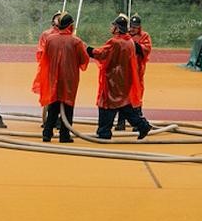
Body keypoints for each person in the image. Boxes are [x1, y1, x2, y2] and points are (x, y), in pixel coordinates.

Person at [86, 13, 152, 140]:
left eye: (113, 26)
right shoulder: (129, 41)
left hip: (113, 79)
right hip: (125, 77)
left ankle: (104, 131)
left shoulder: (115, 42)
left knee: (107, 104)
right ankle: (142, 125)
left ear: (117, 28)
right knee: (124, 104)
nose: (111, 28)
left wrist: (87, 49)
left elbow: (101, 53)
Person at [32, 13, 88, 143]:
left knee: (53, 106)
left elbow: (45, 57)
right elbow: (83, 59)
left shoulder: (50, 39)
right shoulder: (76, 41)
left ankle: (47, 133)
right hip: (69, 78)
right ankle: (64, 135)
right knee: (68, 106)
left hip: (53, 77)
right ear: (70, 25)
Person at [116, 13, 152, 131]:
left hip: (137, 71)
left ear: (139, 27)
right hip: (124, 71)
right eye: (131, 26)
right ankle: (121, 122)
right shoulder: (124, 35)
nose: (132, 29)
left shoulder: (144, 36)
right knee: (123, 96)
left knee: (136, 96)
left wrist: (132, 44)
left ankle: (138, 123)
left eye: (135, 27)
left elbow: (146, 49)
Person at [33, 11, 63, 129]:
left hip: (62, 69)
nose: (59, 20)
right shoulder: (47, 34)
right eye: (57, 18)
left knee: (61, 94)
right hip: (49, 68)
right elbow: (41, 51)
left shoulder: (68, 35)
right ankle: (49, 120)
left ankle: (59, 119)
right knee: (50, 94)